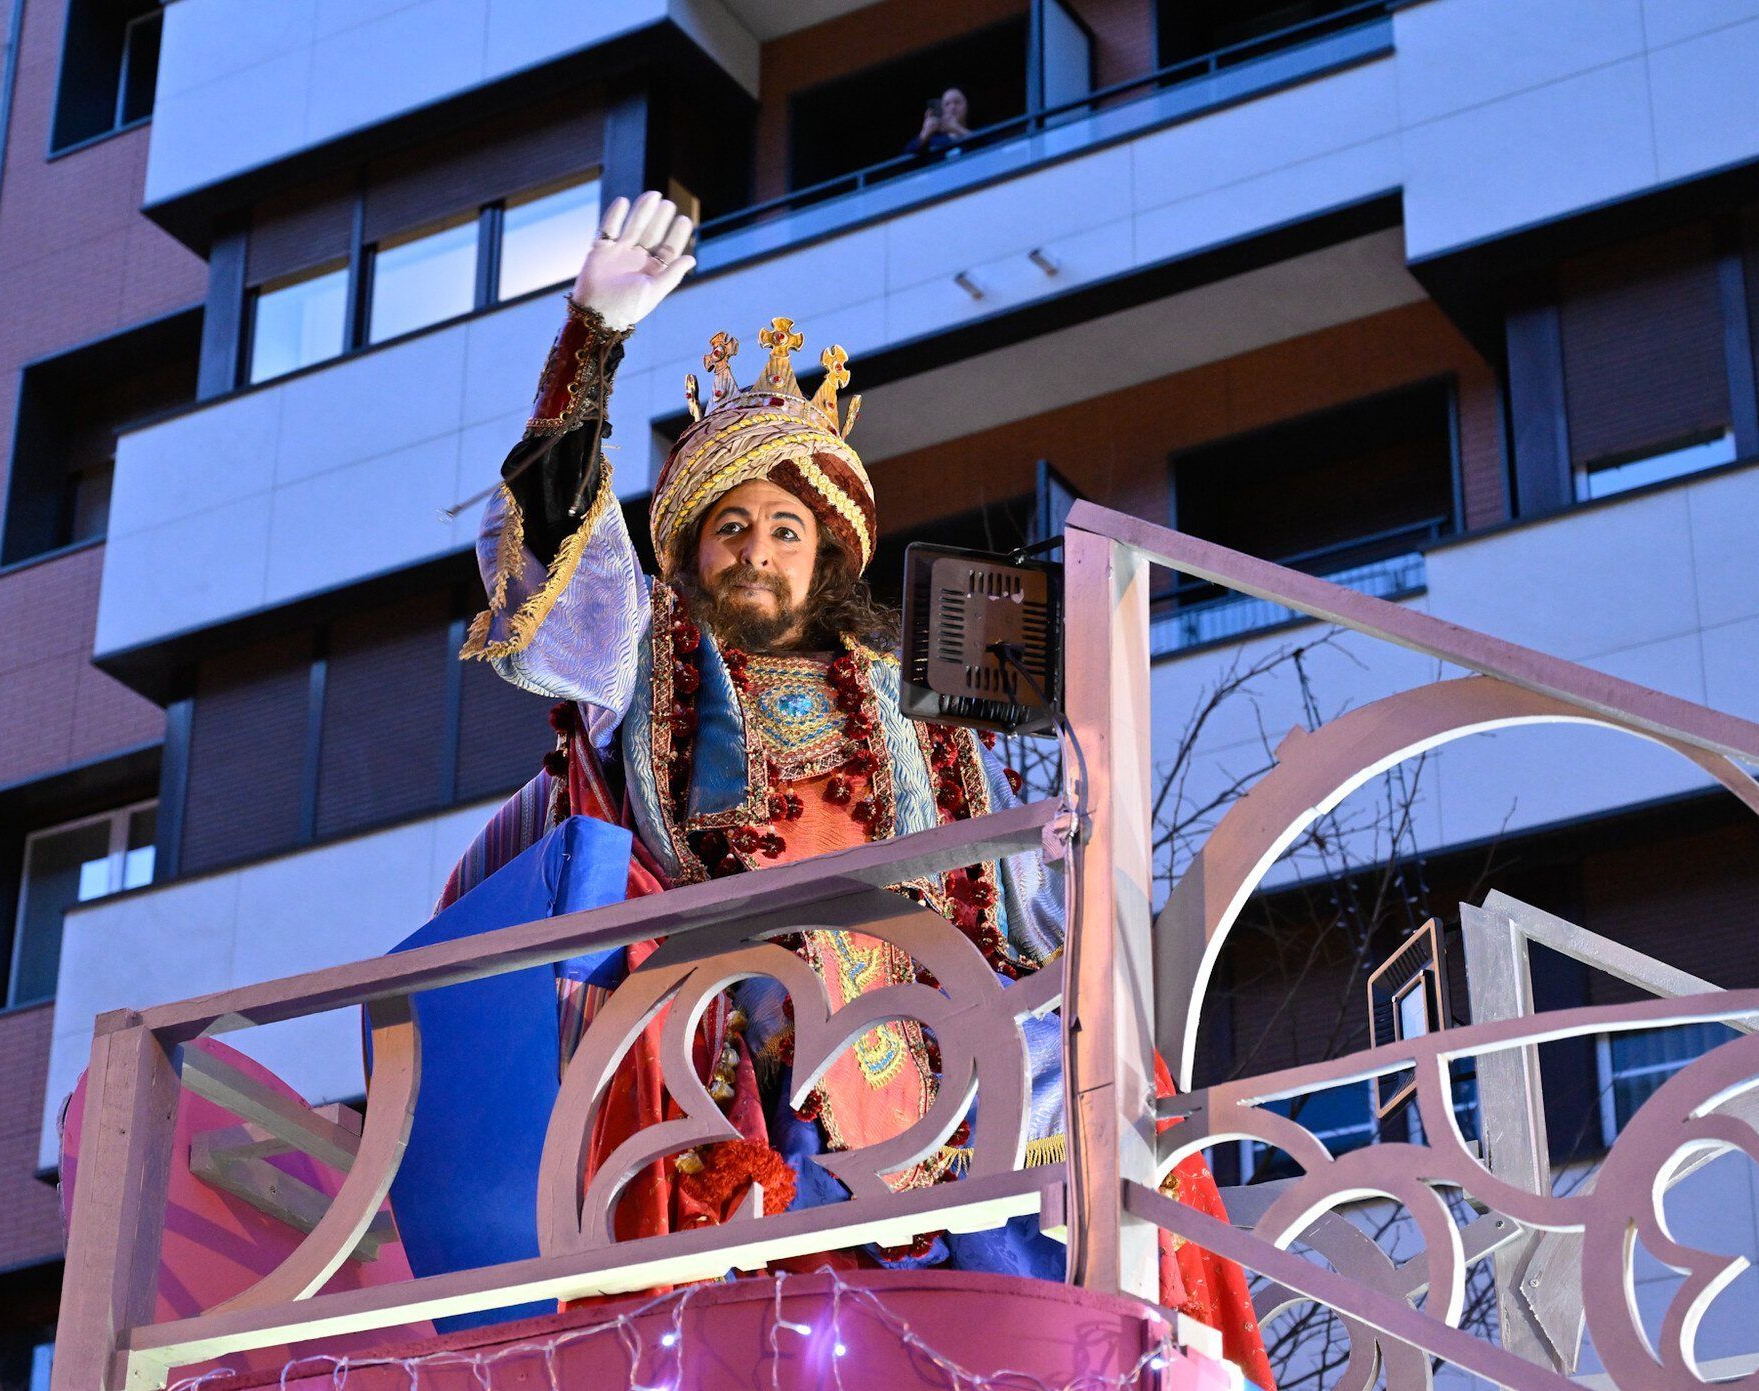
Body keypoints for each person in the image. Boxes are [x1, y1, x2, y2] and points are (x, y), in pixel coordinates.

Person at [439, 189, 1273, 1388]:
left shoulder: (909, 676)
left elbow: (1026, 846)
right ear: (689, 550)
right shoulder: (651, 656)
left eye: (786, 528)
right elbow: (558, 564)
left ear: (828, 551)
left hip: (950, 1011)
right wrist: (592, 341)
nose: (757, 551)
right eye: (728, 527)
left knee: (1097, 1077)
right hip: (744, 1006)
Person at [906, 88, 972, 158]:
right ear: (942, 109)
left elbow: (983, 146)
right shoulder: (933, 142)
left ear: (967, 105)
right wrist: (924, 134)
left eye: (957, 102)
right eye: (947, 104)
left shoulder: (981, 131)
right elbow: (905, 158)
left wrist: (957, 129)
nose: (952, 107)